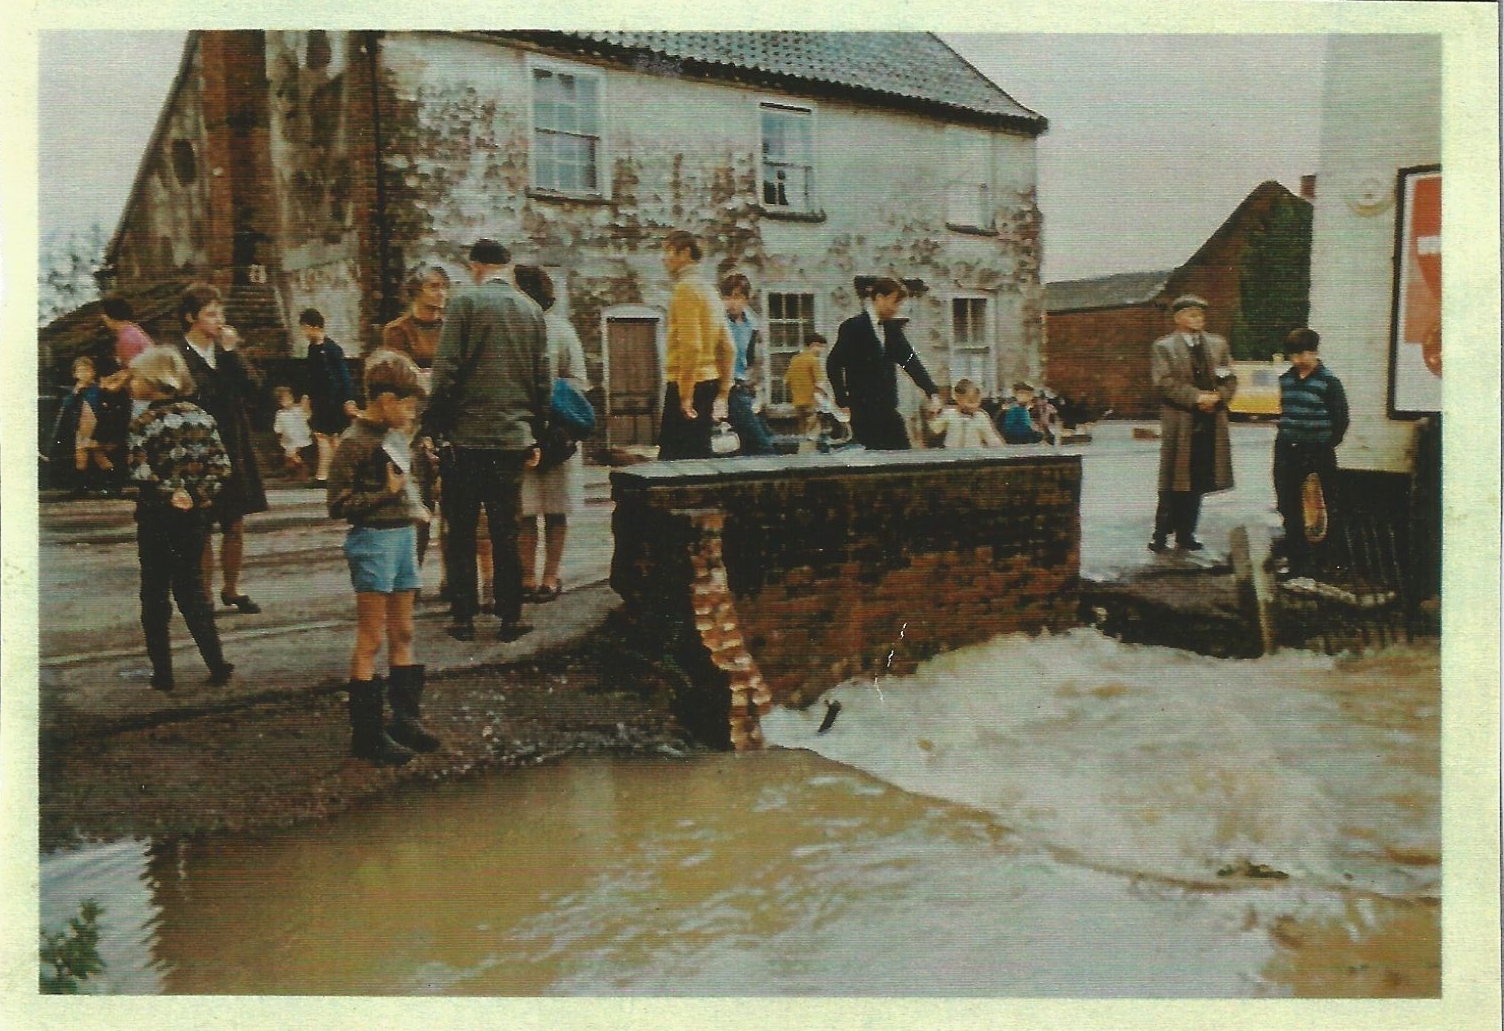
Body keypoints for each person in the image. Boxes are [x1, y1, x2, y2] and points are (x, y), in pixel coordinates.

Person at [422, 238, 549, 643]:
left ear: (476, 265)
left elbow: (446, 370)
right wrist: (535, 431)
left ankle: (464, 616)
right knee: (506, 529)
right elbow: (542, 380)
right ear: (506, 267)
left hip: (466, 438)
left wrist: (433, 424)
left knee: (460, 530)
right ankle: (510, 616)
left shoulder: (463, 304)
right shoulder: (531, 310)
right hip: (511, 438)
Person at [327, 350, 439, 766]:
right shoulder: (353, 443)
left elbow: (408, 487)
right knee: (372, 636)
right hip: (373, 541)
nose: (412, 413)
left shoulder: (396, 438)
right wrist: (386, 495)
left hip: (403, 538)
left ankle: (405, 719)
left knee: (404, 630)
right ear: (387, 399)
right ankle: (367, 734)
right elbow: (339, 505)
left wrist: (419, 489)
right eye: (408, 405)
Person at [124, 346, 235, 691]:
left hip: (157, 515)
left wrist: (170, 491)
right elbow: (221, 466)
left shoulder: (143, 422)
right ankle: (216, 663)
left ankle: (163, 673)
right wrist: (197, 495)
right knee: (192, 589)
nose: (131, 384)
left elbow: (139, 469)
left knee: (155, 593)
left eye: (136, 378)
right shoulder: (202, 417)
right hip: (195, 517)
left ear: (154, 382)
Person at [175, 283, 268, 613]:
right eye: (211, 314)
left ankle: (231, 588)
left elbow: (254, 388)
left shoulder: (224, 353)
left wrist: (231, 354)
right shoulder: (178, 356)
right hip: (197, 449)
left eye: (220, 313)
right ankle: (204, 594)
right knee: (201, 525)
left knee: (234, 522)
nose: (219, 320)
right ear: (190, 317)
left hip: (232, 445)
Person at [513, 265, 588, 602]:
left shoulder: (560, 330)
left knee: (552, 508)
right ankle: (529, 577)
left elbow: (576, 380)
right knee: (527, 509)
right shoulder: (513, 330)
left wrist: (555, 403)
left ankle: (549, 577)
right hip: (528, 430)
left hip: (554, 432)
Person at [1150, 294, 1237, 553]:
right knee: (1173, 480)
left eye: (1200, 314)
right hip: (1180, 421)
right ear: (1177, 318)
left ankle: (1187, 533)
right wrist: (1196, 397)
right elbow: (1164, 382)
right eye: (1191, 314)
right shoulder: (1164, 347)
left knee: (1198, 479)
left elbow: (1229, 377)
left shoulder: (1217, 344)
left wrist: (1218, 397)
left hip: (1210, 422)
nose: (1197, 318)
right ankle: (1160, 533)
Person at [383, 261, 450, 571]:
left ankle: (454, 576)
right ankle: (411, 573)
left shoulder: (451, 327)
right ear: (415, 291)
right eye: (434, 286)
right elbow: (400, 376)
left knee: (454, 503)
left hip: (449, 420)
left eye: (444, 287)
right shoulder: (398, 330)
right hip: (414, 425)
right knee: (418, 501)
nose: (442, 294)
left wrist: (428, 374)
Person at [827, 277, 940, 450]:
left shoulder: (891, 330)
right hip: (862, 412)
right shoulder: (853, 327)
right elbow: (833, 364)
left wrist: (932, 392)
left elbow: (910, 361)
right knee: (871, 464)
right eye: (895, 302)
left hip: (888, 410)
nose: (897, 309)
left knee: (903, 457)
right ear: (879, 298)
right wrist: (843, 401)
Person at [1273, 328, 1349, 579]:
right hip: (1287, 450)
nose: (1296, 361)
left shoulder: (1328, 381)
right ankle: (1298, 563)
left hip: (1317, 451)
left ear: (1314, 352)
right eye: (1292, 356)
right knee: (1288, 505)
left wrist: (1324, 443)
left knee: (1322, 509)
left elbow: (1341, 419)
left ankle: (1327, 562)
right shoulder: (1286, 379)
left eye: (1301, 355)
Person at [657, 229, 732, 460]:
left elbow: (692, 346)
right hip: (709, 383)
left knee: (673, 464)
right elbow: (728, 346)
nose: (664, 258)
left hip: (687, 383)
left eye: (669, 251)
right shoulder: (710, 290)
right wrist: (723, 392)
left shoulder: (685, 289)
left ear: (685, 253)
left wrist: (685, 395)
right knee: (700, 459)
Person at [300, 308, 358, 486]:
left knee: (326, 437)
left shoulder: (331, 349)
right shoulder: (313, 348)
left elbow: (343, 375)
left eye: (304, 328)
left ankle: (325, 475)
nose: (303, 332)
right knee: (329, 438)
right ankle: (336, 475)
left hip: (332, 401)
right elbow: (312, 376)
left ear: (313, 326)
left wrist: (348, 399)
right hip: (321, 400)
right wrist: (307, 396)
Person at [720, 272, 775, 456]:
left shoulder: (751, 325)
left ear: (745, 299)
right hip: (723, 387)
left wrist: (755, 389)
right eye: (727, 297)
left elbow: (751, 361)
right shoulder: (718, 322)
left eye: (737, 297)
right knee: (762, 446)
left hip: (742, 388)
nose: (731, 302)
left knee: (762, 439)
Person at [53, 356, 118, 496]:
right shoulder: (75, 391)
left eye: (87, 370)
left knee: (99, 456)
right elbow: (67, 406)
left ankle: (114, 486)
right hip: (81, 428)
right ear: (75, 374)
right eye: (80, 371)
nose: (84, 374)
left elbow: (106, 405)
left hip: (95, 427)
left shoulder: (98, 388)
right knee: (80, 457)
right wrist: (75, 392)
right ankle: (81, 488)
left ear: (93, 372)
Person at [927, 379, 1006, 449]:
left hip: (974, 455)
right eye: (970, 401)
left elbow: (992, 439)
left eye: (977, 401)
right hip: (952, 455)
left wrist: (1001, 450)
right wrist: (932, 414)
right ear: (958, 399)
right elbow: (935, 429)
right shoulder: (950, 413)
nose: (974, 405)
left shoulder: (981, 417)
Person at [784, 333, 829, 446]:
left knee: (803, 429)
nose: (821, 350)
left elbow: (786, 380)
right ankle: (811, 453)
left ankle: (803, 451)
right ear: (813, 345)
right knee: (813, 429)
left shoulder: (795, 359)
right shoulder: (813, 360)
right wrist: (825, 398)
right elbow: (820, 382)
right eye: (820, 346)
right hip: (811, 400)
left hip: (798, 400)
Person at [100, 296, 153, 369]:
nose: (102, 316)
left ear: (111, 317)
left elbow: (134, 368)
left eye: (104, 314)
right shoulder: (130, 326)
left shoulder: (125, 339)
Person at [272, 386, 315, 475]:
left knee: (289, 449)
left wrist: (305, 404)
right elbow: (277, 429)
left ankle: (299, 469)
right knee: (288, 451)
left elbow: (307, 415)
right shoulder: (280, 413)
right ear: (280, 402)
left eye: (289, 396)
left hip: (300, 438)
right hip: (291, 440)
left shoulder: (299, 409)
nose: (289, 398)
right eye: (285, 398)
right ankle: (293, 470)